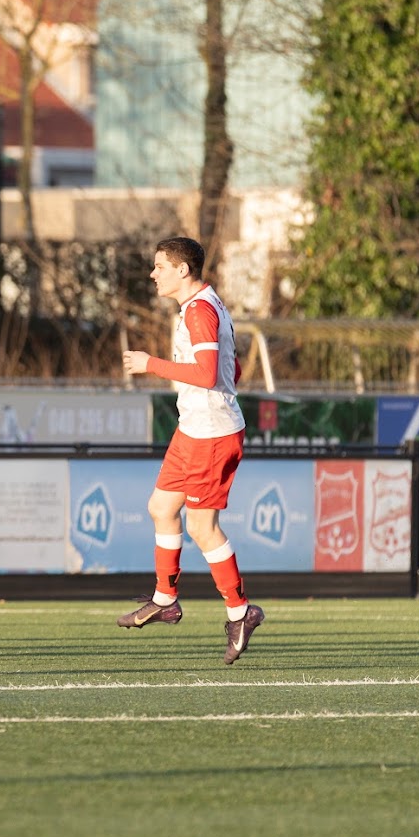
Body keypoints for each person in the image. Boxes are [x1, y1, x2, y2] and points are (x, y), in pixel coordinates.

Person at [119, 235, 264, 664]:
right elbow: (230, 367)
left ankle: (241, 612)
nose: (153, 273)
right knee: (161, 508)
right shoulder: (203, 304)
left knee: (202, 527)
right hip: (193, 429)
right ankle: (166, 599)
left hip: (212, 436)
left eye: (160, 266)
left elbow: (205, 373)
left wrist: (152, 365)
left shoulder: (200, 310)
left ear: (182, 270)